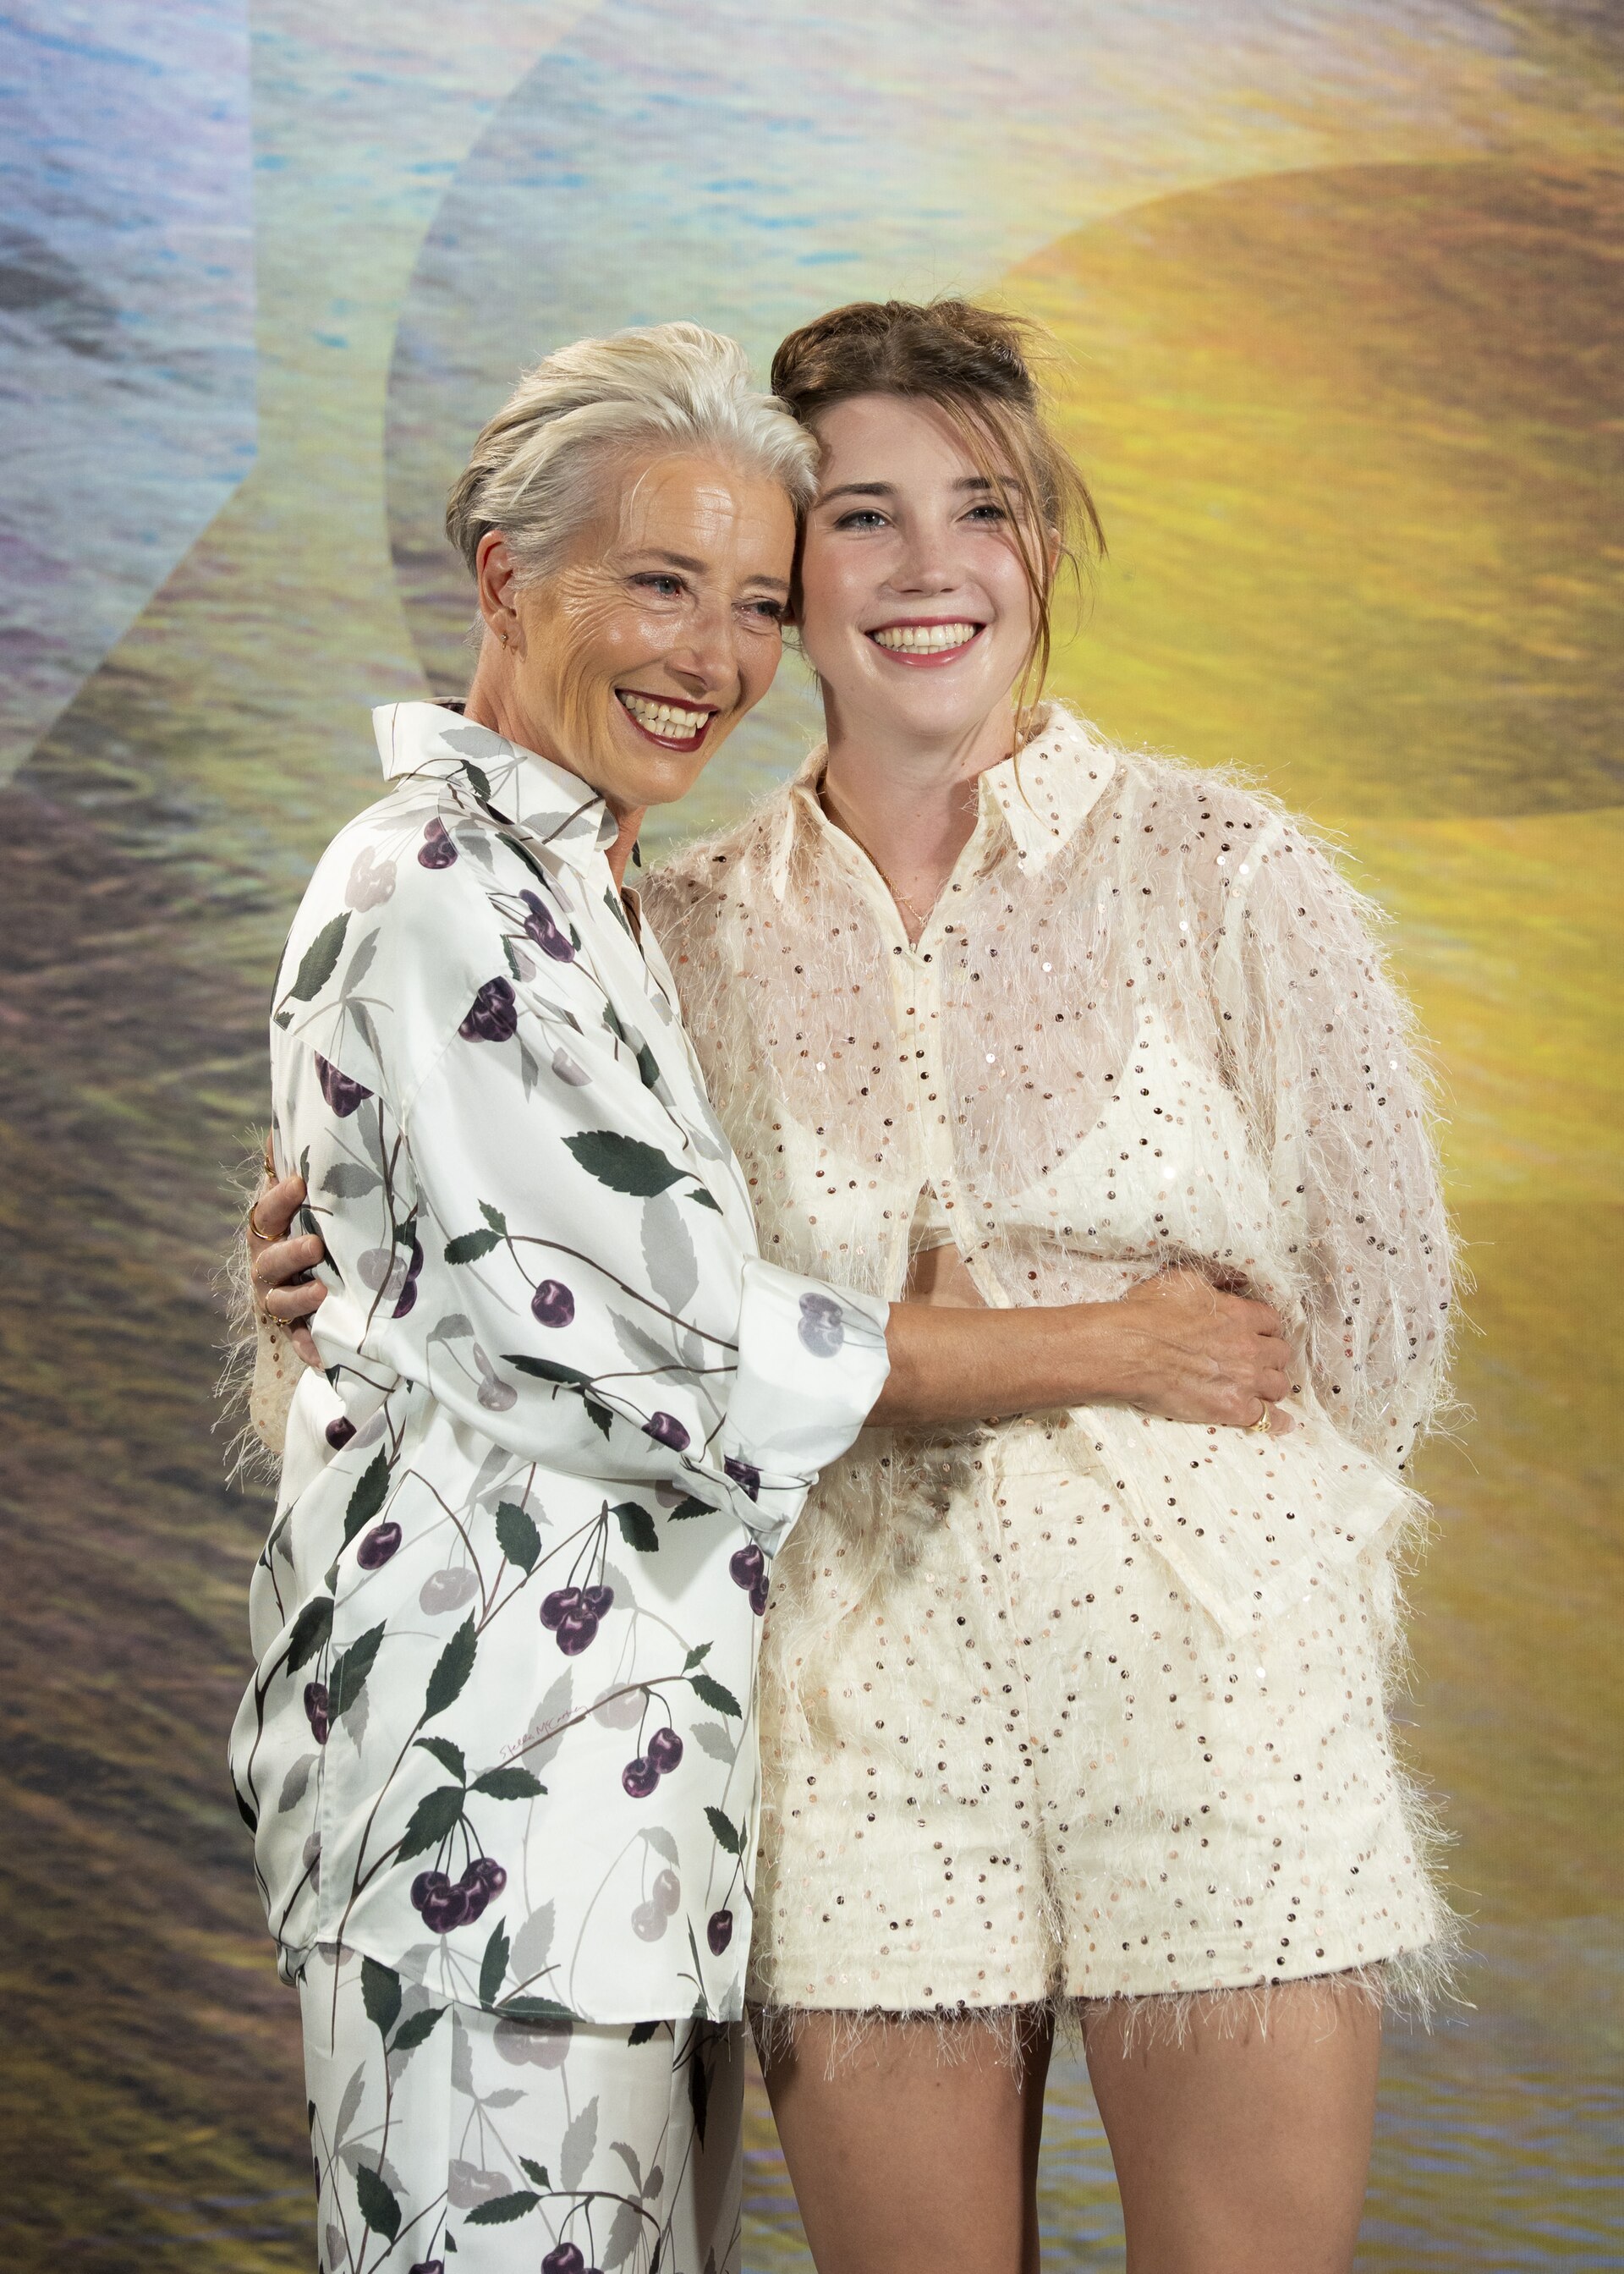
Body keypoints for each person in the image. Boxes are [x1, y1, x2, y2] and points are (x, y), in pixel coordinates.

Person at [231, 318, 1295, 2274]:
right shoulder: (435, 884)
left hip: (627, 1831)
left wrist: (336, 1287)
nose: (705, 657)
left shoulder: (591, 889)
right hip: (493, 1841)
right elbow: (678, 1347)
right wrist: (1115, 1348)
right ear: (501, 579)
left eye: (745, 601)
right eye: (655, 584)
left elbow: (488, 1285)